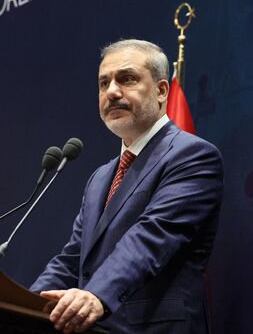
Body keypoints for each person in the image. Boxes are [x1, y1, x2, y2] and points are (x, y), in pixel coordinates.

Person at [30, 39, 224, 334]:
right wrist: (25, 304)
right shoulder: (100, 178)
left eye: (127, 79)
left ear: (161, 91)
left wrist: (97, 295)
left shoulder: (193, 156)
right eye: (103, 83)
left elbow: (151, 238)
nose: (112, 92)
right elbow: (73, 259)